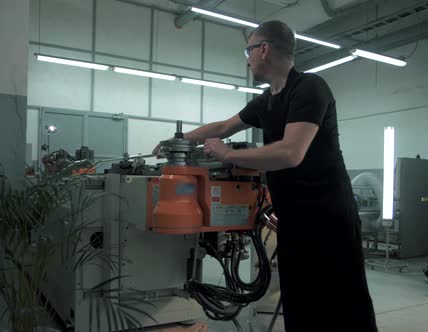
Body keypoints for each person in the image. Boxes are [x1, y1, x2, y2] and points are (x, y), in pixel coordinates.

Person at [153, 20, 377, 331]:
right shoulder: (267, 99)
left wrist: (229, 154)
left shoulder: (310, 88)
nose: (246, 59)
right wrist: (180, 140)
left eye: (248, 51)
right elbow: (223, 127)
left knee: (344, 303)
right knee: (300, 302)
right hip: (294, 218)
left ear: (264, 49)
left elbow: (290, 153)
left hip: (329, 219)